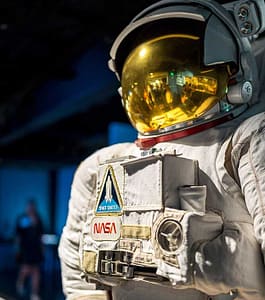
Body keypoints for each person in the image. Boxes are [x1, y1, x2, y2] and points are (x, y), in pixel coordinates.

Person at [58, 0, 265, 299]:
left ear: (231, 73)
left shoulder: (245, 144)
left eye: (179, 77)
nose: (168, 92)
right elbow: (80, 278)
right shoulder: (101, 167)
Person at [15, 199, 44, 300]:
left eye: (32, 207)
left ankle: (34, 293)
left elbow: (41, 236)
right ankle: (20, 284)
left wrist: (42, 249)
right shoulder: (22, 219)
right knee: (25, 269)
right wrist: (17, 249)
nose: (31, 209)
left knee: (36, 271)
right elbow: (18, 235)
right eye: (29, 207)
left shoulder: (38, 219)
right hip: (25, 249)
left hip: (35, 250)